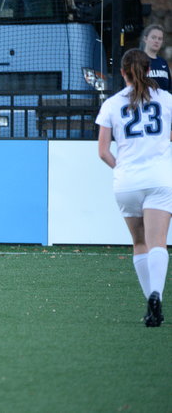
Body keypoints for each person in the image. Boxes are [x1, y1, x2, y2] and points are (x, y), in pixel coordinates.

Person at [96, 48, 172, 327]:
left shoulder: (112, 104)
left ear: (122, 72)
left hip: (127, 182)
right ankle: (156, 295)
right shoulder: (166, 99)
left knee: (139, 242)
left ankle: (150, 304)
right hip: (160, 179)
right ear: (149, 70)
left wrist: (122, 170)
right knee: (158, 242)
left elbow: (103, 152)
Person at [141, 24, 171, 93]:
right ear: (145, 39)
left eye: (160, 39)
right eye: (153, 37)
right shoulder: (137, 60)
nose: (157, 41)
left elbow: (169, 88)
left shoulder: (163, 63)